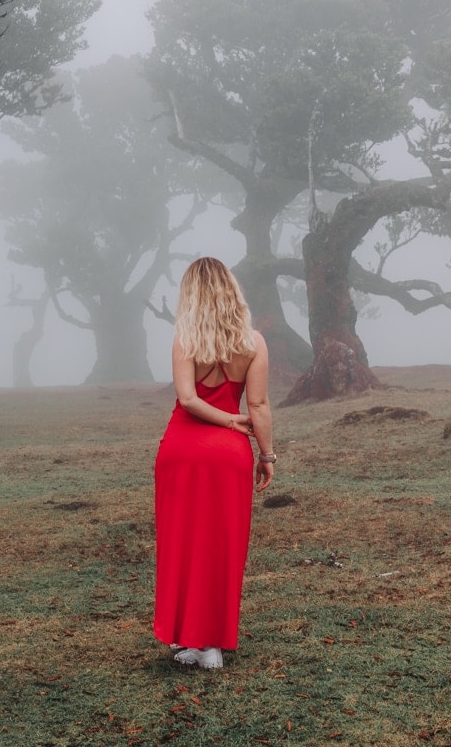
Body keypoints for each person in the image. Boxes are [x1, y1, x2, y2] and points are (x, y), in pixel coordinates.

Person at [153, 256, 275, 670]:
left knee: (184, 543)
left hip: (183, 450)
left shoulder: (185, 338)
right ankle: (209, 645)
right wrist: (266, 453)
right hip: (230, 455)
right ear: (231, 291)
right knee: (221, 546)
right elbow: (257, 404)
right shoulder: (254, 342)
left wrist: (223, 420)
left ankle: (195, 640)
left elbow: (188, 399)